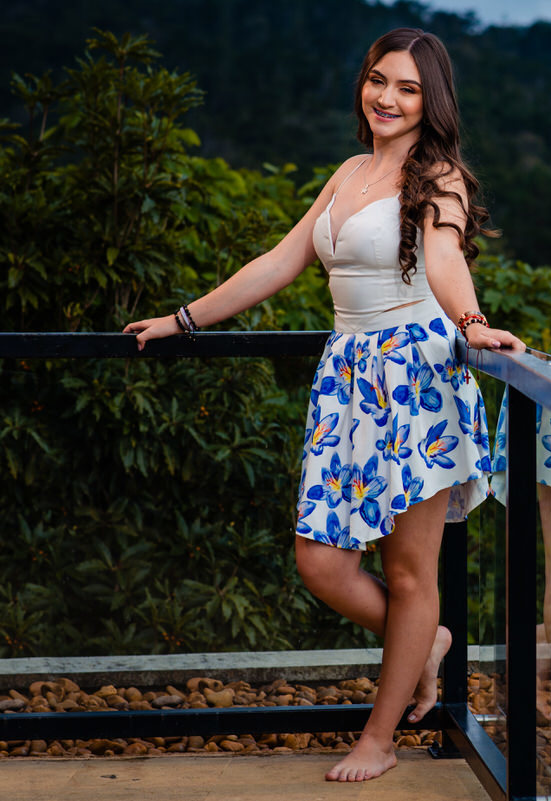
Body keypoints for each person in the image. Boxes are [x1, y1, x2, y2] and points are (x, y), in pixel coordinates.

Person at [124, 27, 524, 782]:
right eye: (378, 80)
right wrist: (183, 319)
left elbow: (444, 259)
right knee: (321, 561)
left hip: (415, 377)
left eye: (408, 88)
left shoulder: (439, 178)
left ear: (432, 101)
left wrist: (473, 323)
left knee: (410, 573)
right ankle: (428, 641)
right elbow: (282, 260)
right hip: (347, 380)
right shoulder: (350, 171)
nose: (387, 98)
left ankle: (380, 738)